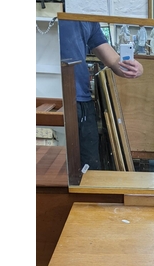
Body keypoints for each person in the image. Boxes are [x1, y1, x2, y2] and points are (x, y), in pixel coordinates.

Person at [59, 20, 144, 170]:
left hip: (81, 101)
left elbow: (112, 59)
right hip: (54, 99)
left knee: (88, 169)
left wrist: (135, 68)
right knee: (51, 169)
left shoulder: (87, 17)